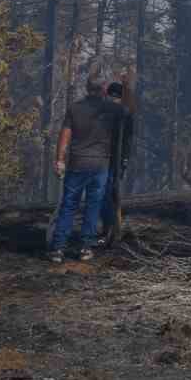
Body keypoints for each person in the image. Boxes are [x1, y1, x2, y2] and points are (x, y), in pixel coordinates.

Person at [49, 62, 134, 264]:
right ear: (104, 89)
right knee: (93, 206)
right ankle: (85, 248)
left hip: (77, 163)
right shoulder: (111, 109)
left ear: (87, 88)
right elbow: (129, 109)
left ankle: (58, 249)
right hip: (100, 166)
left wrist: (60, 160)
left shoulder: (74, 108)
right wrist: (127, 84)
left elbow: (65, 135)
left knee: (69, 205)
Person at [97, 80, 136, 245]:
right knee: (103, 194)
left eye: (116, 97)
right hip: (101, 159)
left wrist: (124, 161)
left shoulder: (126, 115)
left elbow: (127, 140)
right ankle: (107, 229)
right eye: (112, 97)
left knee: (112, 194)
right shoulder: (102, 112)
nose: (114, 100)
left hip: (115, 160)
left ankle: (113, 230)